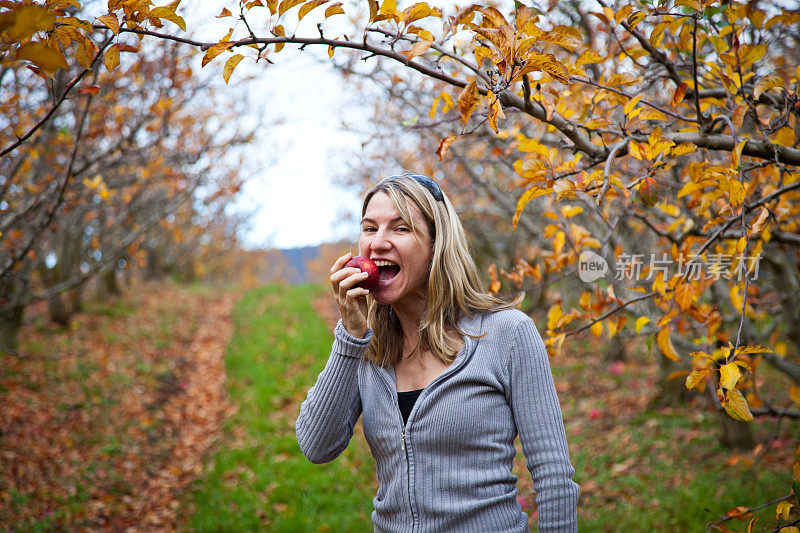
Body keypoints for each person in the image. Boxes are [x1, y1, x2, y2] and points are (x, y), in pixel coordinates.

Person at [296, 173, 579, 532]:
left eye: (400, 228)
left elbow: (553, 476)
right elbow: (316, 445)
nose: (378, 243)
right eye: (369, 228)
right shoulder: (367, 347)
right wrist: (352, 336)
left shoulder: (506, 334)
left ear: (437, 244)